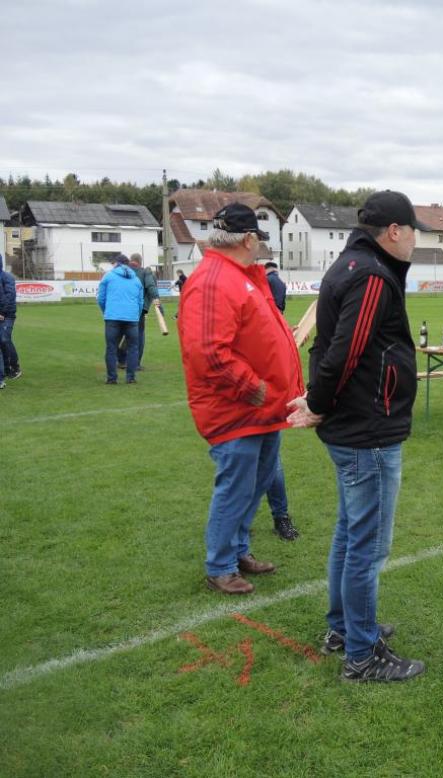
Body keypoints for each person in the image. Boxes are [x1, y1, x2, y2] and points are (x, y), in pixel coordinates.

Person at [287, 190, 426, 682]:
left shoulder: (353, 265)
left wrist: (320, 403)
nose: (414, 241)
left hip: (358, 425)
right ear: (394, 232)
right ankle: (361, 656)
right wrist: (318, 404)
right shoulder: (369, 274)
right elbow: (343, 350)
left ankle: (345, 629)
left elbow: (336, 347)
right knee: (366, 545)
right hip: (367, 430)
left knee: (350, 537)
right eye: (413, 231)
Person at [178, 203, 303, 595]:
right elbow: (209, 354)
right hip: (238, 410)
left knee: (257, 482)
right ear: (248, 239)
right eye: (259, 239)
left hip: (262, 410)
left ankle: (238, 551)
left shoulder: (237, 275)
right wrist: (258, 389)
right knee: (236, 487)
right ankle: (220, 565)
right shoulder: (216, 279)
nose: (260, 247)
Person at [261, 261, 299, 541]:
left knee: (272, 464)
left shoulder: (268, 307)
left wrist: (290, 335)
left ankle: (281, 517)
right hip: (244, 400)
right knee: (238, 469)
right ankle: (236, 525)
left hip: (269, 398)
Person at [97, 254, 143, 385]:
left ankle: (112, 378)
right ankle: (131, 377)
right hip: (132, 319)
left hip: (112, 317)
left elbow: (101, 298)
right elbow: (140, 302)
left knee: (111, 348)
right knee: (133, 348)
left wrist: (106, 311)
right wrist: (136, 315)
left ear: (116, 263)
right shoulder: (136, 280)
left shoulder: (109, 276)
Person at [117, 254, 160, 369]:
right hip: (138, 309)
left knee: (120, 334)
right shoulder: (145, 272)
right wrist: (157, 302)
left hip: (119, 308)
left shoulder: (120, 271)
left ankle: (121, 361)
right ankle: (135, 363)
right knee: (139, 336)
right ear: (140, 262)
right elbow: (151, 286)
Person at [0, 254, 20, 387]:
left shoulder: (7, 278)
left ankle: (14, 367)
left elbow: (9, 296)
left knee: (4, 339)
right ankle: (6, 370)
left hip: (8, 314)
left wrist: (2, 312)